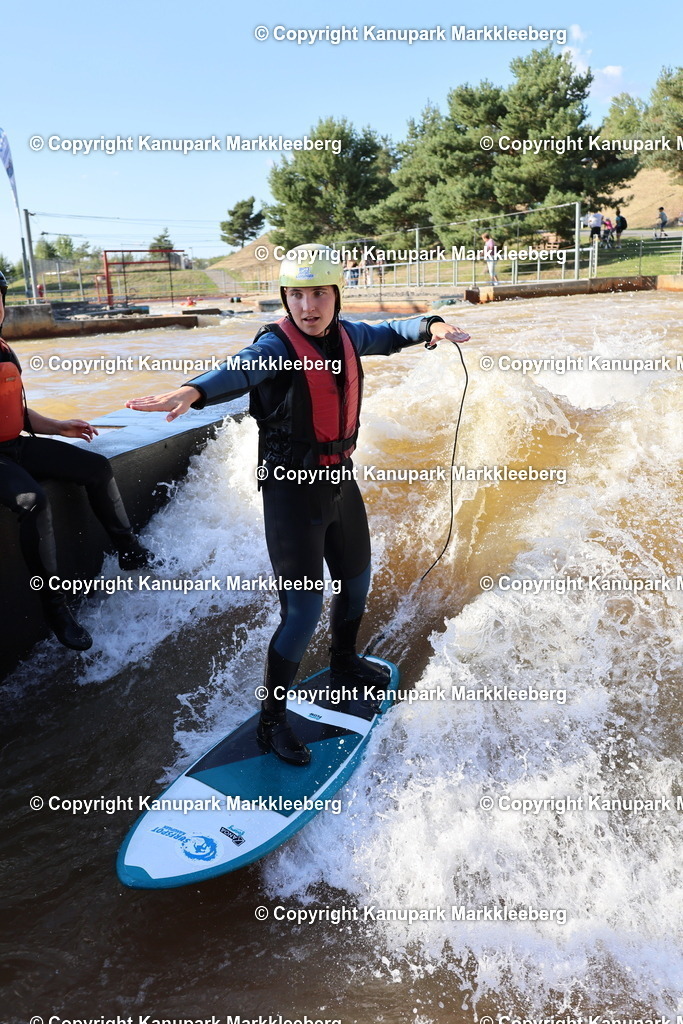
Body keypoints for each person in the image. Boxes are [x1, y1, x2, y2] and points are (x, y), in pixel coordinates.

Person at [126, 243, 470, 766]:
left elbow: (395, 332)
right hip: (292, 496)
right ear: (286, 299)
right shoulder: (276, 348)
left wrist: (434, 326)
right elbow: (235, 372)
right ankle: (271, 724)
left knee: (357, 585)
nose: (308, 306)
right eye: (297, 295)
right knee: (302, 612)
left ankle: (345, 662)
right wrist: (191, 392)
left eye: (318, 294)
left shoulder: (349, 334)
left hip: (339, 483)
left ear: (335, 295)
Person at [0, 270, 152, 652]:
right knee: (33, 503)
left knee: (95, 467)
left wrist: (58, 426)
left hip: (15, 445)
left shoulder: (4, 348)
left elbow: (15, 411)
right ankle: (55, 608)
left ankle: (131, 551)